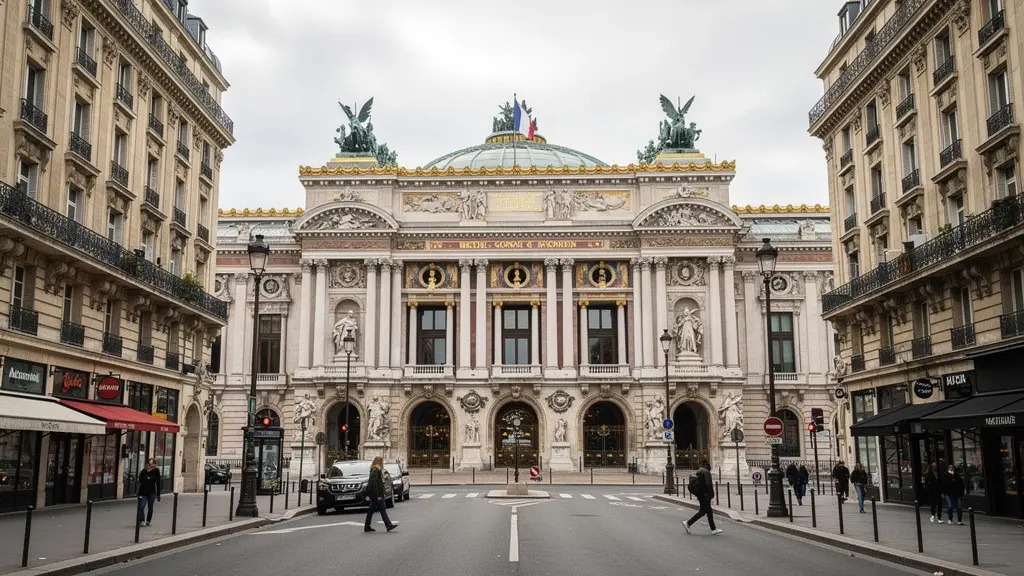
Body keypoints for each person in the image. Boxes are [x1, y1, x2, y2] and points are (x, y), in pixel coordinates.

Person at [683, 460, 723, 535]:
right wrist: (712, 495)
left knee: (709, 511)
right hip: (705, 495)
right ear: (707, 465)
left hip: (701, 494)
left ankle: (713, 529)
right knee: (702, 512)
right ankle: (688, 523)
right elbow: (708, 484)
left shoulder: (699, 471)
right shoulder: (706, 472)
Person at [364, 457, 397, 533]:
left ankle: (367, 526)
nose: (383, 463)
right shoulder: (376, 470)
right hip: (377, 494)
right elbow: (374, 483)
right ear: (379, 462)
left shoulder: (375, 469)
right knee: (381, 509)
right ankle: (388, 525)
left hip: (377, 494)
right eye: (382, 461)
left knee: (373, 510)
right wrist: (378, 495)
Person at [137, 458, 161, 527]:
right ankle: (142, 520)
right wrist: (138, 493)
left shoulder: (156, 471)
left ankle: (148, 521)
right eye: (150, 464)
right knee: (141, 507)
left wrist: (158, 495)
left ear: (155, 464)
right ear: (147, 464)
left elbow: (158, 483)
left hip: (152, 492)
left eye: (152, 464)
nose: (151, 465)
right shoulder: (143, 471)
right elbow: (140, 481)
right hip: (143, 492)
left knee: (150, 507)